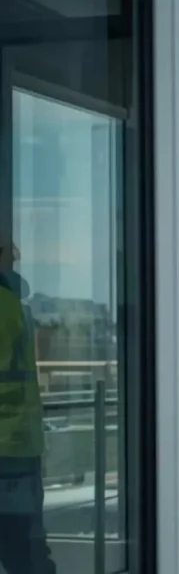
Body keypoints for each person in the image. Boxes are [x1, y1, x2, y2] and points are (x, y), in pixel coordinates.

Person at [0, 236, 57, 574]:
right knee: (24, 548)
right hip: (16, 446)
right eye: (9, 249)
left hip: (8, 445)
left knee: (22, 548)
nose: (18, 255)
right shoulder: (13, 306)